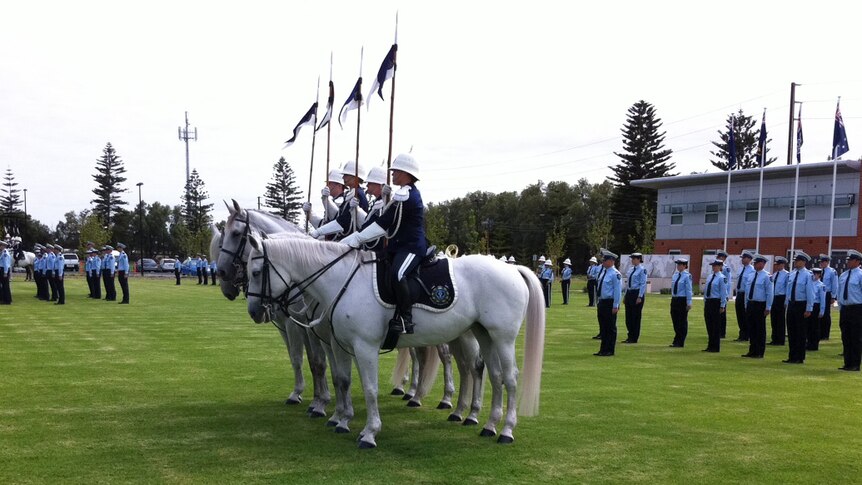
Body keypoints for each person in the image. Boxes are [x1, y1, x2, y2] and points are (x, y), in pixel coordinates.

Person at [341, 153, 427, 335]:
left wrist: (357, 238)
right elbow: (387, 219)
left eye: (395, 171)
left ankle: (406, 319)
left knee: (398, 273)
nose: (393, 175)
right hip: (397, 247)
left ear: (405, 173)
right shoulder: (401, 195)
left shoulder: (409, 195)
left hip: (412, 247)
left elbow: (385, 223)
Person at [782, 252, 814, 363]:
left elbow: (810, 292)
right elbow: (788, 290)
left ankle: (799, 357)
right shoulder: (791, 274)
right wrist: (786, 302)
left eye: (798, 260)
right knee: (791, 331)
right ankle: (792, 356)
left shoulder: (808, 275)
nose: (796, 262)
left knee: (800, 332)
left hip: (801, 304)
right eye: (795, 260)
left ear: (804, 262)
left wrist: (809, 308)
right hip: (792, 304)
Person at [837, 250, 862, 371]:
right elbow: (840, 292)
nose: (848, 262)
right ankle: (847, 363)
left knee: (855, 337)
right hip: (845, 309)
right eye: (848, 260)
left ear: (857, 261)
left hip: (857, 308)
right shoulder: (844, 275)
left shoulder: (860, 275)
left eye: (851, 260)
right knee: (846, 336)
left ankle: (855, 364)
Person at [594, 249, 621, 356]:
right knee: (603, 326)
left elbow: (617, 291)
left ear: (611, 261)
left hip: (610, 302)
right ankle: (603, 349)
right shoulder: (603, 272)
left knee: (610, 327)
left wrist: (616, 305)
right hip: (602, 302)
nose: (603, 262)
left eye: (605, 260)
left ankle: (609, 349)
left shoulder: (615, 274)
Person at [303, 168, 345, 232]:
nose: (327, 186)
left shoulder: (343, 202)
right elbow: (321, 225)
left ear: (339, 185)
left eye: (330, 183)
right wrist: (309, 213)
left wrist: (326, 200)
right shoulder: (332, 201)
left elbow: (335, 216)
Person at [702, 260, 727, 352]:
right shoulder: (709, 277)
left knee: (715, 325)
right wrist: (705, 301)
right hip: (709, 301)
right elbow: (706, 290)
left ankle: (715, 346)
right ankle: (710, 345)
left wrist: (722, 305)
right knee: (709, 324)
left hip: (716, 302)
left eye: (716, 266)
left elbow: (723, 292)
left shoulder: (722, 278)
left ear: (720, 267)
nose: (714, 267)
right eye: (713, 266)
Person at [623, 252, 647, 344]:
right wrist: (625, 295)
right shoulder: (630, 269)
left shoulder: (642, 270)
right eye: (632, 258)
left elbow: (642, 284)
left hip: (636, 293)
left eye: (634, 258)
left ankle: (634, 337)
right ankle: (630, 335)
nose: (632, 260)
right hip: (630, 293)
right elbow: (627, 284)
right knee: (628, 317)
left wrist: (640, 296)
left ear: (638, 259)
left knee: (635, 316)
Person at [669, 258, 692, 348]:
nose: (678, 266)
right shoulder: (675, 275)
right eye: (677, 264)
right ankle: (676, 338)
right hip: (675, 299)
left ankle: (680, 340)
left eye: (680, 264)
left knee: (681, 321)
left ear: (684, 265)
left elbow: (688, 290)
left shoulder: (687, 276)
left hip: (682, 300)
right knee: (675, 320)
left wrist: (689, 302)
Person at [734, 251, 755, 341]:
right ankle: (742, 334)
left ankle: (747, 334)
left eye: (744, 258)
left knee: (745, 315)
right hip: (739, 293)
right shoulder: (740, 269)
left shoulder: (752, 270)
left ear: (749, 259)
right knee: (739, 314)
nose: (742, 259)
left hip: (746, 294)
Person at [769, 256, 789, 346]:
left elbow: (788, 289)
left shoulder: (787, 275)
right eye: (776, 264)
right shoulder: (774, 274)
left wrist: (786, 301)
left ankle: (780, 340)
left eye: (778, 264)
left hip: (781, 297)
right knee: (774, 319)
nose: (777, 266)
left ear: (783, 264)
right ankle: (774, 338)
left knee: (780, 320)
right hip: (774, 297)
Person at [818, 254, 838, 341]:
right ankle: (819, 332)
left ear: (827, 262)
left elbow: (835, 284)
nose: (821, 263)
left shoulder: (832, 272)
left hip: (827, 294)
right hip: (818, 294)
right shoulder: (819, 271)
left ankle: (825, 334)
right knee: (819, 312)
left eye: (822, 262)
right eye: (820, 262)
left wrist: (833, 296)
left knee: (826, 314)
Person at [808, 268, 826, 351]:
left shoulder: (821, 285)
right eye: (813, 274)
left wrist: (822, 311)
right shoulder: (809, 283)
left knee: (815, 327)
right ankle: (808, 343)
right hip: (810, 305)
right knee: (808, 326)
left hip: (816, 306)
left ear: (819, 275)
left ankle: (814, 345)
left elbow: (823, 299)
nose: (814, 275)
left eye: (815, 274)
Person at [716, 250, 732, 338]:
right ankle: (716, 331)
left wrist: (726, 295)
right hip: (715, 294)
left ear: (723, 258)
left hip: (722, 293)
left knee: (722, 314)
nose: (718, 258)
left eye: (719, 257)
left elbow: (728, 282)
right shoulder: (716, 267)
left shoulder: (726, 269)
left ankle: (722, 333)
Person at [0, 239, 11, 304]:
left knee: (5, 285)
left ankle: (7, 300)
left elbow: (6, 264)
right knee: (3, 285)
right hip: (2, 269)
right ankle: (3, 298)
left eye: (0, 245)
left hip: (4, 270)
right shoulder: (2, 252)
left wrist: (5, 272)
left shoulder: (5, 253)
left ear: (3, 246)